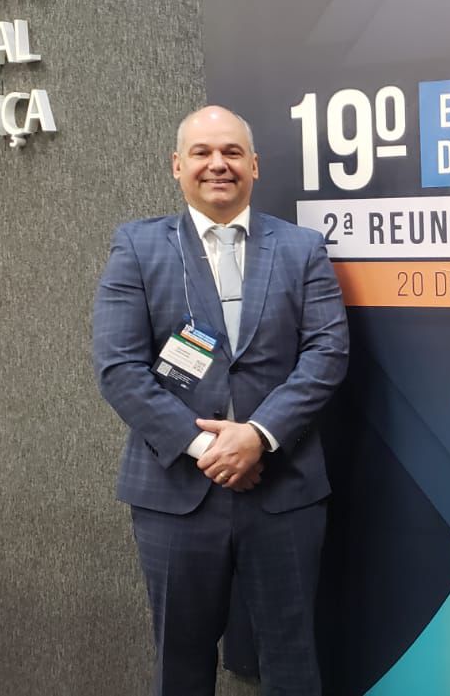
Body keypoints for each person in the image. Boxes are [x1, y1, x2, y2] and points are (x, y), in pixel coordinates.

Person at [93, 105, 348, 695]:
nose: (218, 165)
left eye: (232, 152)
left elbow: (327, 354)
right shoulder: (136, 246)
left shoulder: (302, 247)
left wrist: (256, 437)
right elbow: (119, 368)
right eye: (203, 153)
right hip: (176, 491)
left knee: (292, 659)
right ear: (177, 166)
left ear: (254, 166)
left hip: (284, 488)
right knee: (179, 663)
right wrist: (209, 446)